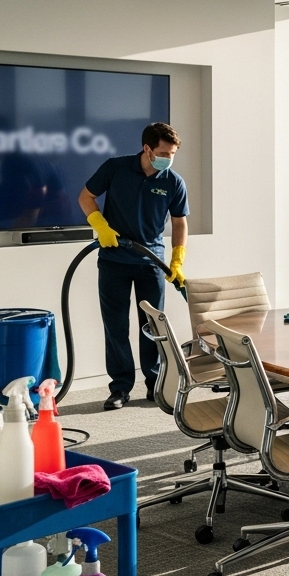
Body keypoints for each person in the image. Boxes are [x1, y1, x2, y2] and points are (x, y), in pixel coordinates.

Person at [79, 122, 188, 411]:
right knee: (115, 327)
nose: (169, 158)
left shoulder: (173, 181)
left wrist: (177, 260)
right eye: (164, 152)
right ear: (147, 149)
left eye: (173, 153)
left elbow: (180, 222)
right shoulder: (115, 168)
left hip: (151, 263)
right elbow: (85, 197)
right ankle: (120, 388)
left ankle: (155, 384)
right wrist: (99, 225)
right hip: (114, 260)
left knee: (152, 326)